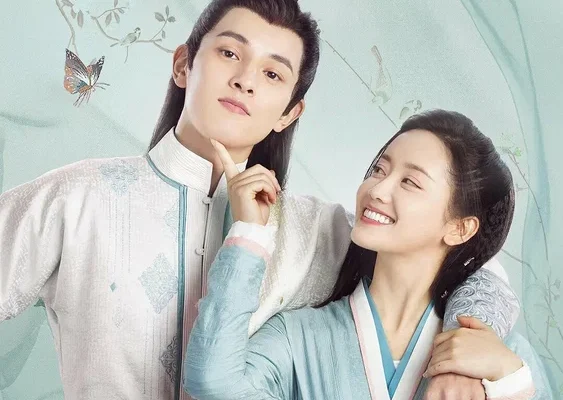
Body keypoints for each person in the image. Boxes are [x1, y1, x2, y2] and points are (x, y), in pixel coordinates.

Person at [0, 1, 519, 398]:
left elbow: (468, 260)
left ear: (290, 111)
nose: (245, 80)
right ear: (183, 65)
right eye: (229, 53)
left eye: (272, 73)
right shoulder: (77, 200)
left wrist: (462, 353)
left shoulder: (315, 230)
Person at [184, 110, 552, 400]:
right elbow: (214, 383)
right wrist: (250, 230)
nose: (377, 189)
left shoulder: (500, 356)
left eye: (410, 182)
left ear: (460, 228)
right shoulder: (299, 336)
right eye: (379, 169)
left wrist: (511, 381)